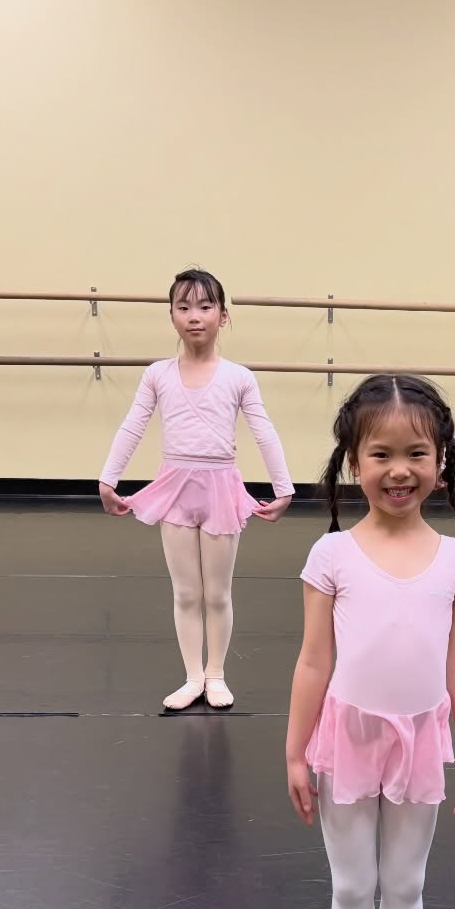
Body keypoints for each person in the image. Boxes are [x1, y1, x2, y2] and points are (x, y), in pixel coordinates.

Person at [285, 375, 455, 909]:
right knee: (352, 884)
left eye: (417, 453)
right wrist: (294, 751)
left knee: (405, 881)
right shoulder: (332, 554)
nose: (400, 470)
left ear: (441, 462)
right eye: (381, 454)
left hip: (421, 738)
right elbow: (313, 660)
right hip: (348, 736)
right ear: (352, 461)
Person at [97, 268, 294, 709]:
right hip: (176, 487)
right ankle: (191, 676)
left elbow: (264, 431)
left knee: (217, 592)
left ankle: (217, 674)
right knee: (186, 592)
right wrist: (108, 479)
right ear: (171, 316)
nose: (195, 316)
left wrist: (284, 489)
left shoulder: (239, 377)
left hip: (221, 487)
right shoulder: (158, 374)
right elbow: (133, 426)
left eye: (205, 307)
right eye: (184, 307)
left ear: (223, 316)